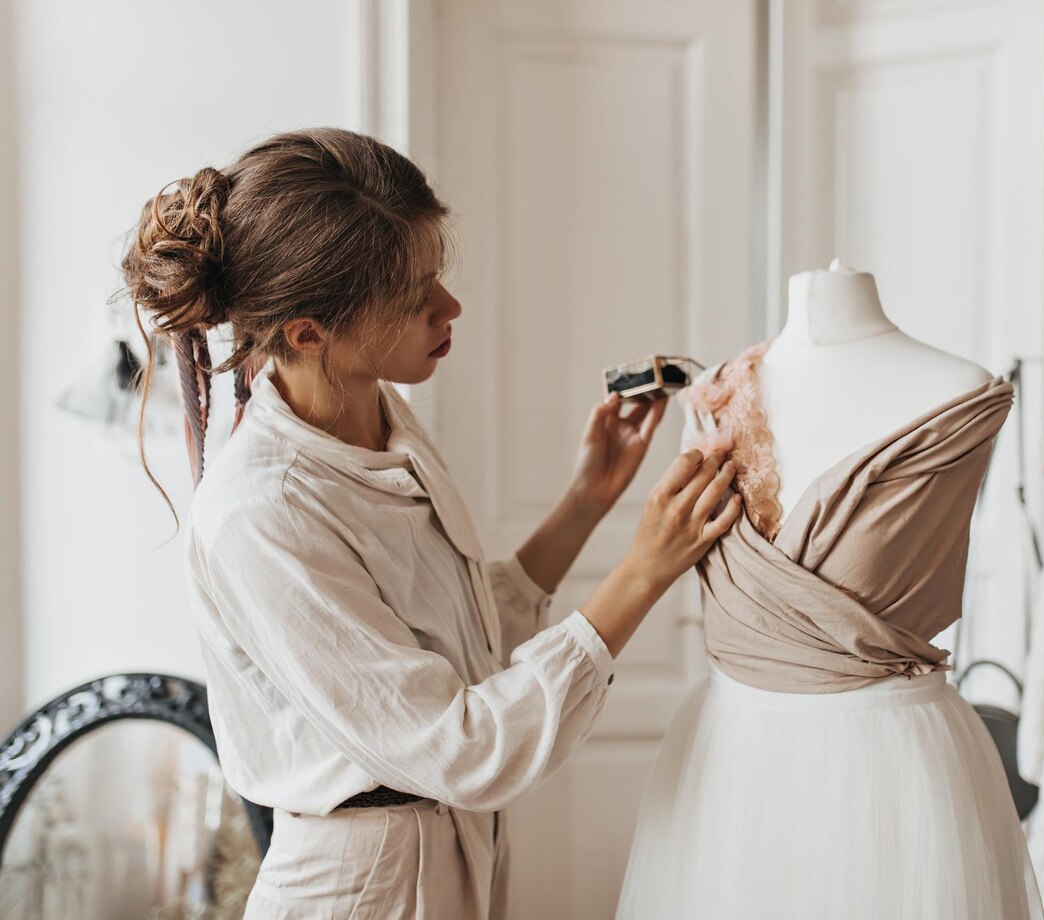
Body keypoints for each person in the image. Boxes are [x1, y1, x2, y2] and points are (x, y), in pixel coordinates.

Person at [120, 127, 740, 919]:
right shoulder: (260, 513)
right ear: (310, 333)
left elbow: (453, 646)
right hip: (361, 890)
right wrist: (643, 573)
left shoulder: (382, 416)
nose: (451, 307)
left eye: (436, 276)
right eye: (415, 298)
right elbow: (464, 743)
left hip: (450, 856)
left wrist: (587, 502)